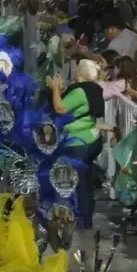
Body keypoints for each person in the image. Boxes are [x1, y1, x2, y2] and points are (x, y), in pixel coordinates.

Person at [47, 59, 105, 229]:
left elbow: (60, 108)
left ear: (79, 72)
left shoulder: (80, 91)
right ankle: (84, 217)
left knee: (80, 182)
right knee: (84, 181)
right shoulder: (93, 89)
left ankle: (83, 218)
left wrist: (55, 88)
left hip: (80, 140)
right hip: (90, 138)